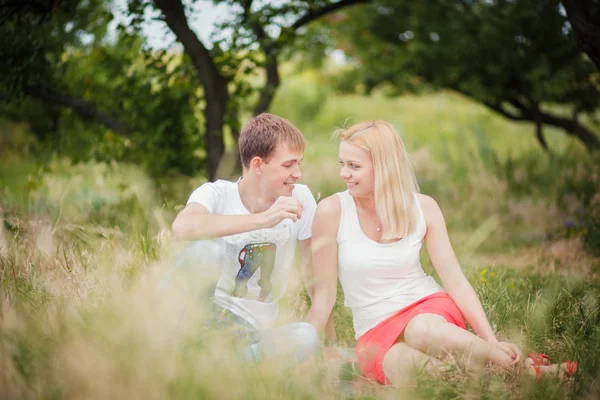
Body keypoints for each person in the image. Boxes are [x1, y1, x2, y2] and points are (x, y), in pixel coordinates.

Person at [305, 121, 577, 385]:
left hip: (425, 309)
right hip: (374, 330)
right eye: (342, 164)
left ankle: (524, 371)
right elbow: (323, 297)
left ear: (385, 167)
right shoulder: (332, 212)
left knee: (421, 330)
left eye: (354, 166)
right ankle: (506, 371)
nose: (344, 174)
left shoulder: (423, 207)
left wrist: (490, 339)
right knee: (425, 373)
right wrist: (318, 350)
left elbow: (455, 281)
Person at [165, 113, 332, 364]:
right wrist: (264, 219)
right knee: (204, 251)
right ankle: (168, 354)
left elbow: (314, 279)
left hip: (251, 334)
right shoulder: (216, 194)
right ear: (258, 165)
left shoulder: (302, 198)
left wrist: (329, 343)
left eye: (299, 163)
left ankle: (213, 370)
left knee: (306, 336)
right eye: (288, 165)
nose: (298, 173)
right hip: (200, 319)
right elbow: (182, 227)